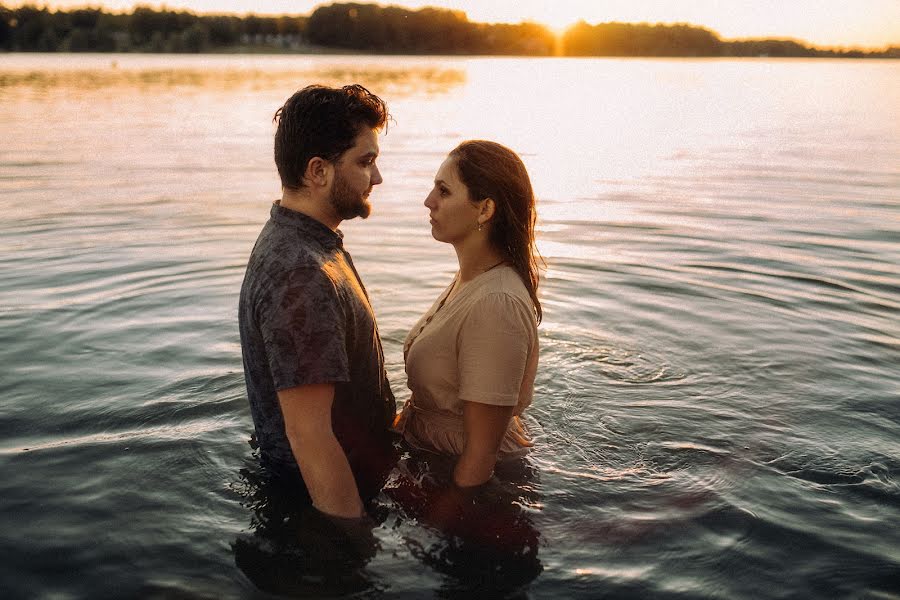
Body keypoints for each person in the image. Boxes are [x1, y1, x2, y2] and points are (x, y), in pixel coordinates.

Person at [238, 84, 395, 520]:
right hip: (323, 510)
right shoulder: (301, 273)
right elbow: (310, 436)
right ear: (318, 171)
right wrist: (354, 547)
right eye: (365, 162)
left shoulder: (310, 243)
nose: (377, 178)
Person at [394, 140, 542, 489]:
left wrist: (446, 524)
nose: (428, 201)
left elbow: (480, 457)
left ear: (485, 209)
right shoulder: (470, 280)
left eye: (443, 191)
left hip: (460, 480)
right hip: (429, 461)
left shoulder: (497, 304)